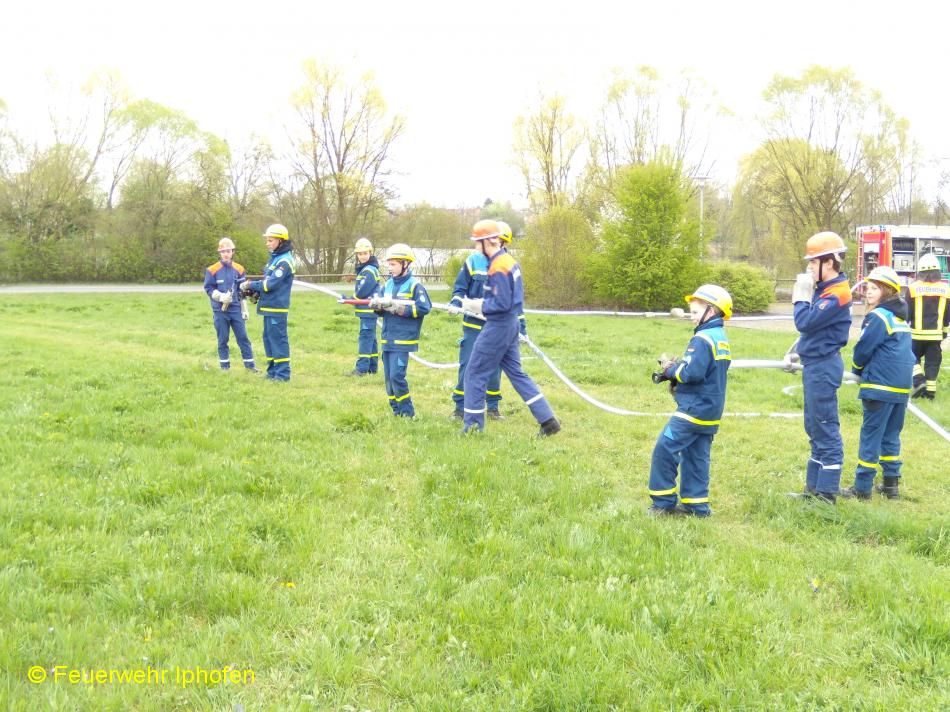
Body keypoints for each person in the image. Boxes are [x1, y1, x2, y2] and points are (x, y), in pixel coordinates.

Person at [460, 219, 560, 436]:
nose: (476, 247)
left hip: (498, 326)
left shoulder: (498, 267)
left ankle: (472, 427)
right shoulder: (508, 261)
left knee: (474, 373)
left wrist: (475, 305)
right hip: (511, 324)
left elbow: (501, 303)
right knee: (516, 373)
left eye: (477, 242)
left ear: (487, 242)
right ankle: (548, 421)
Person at [647, 285, 732, 517]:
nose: (691, 317)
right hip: (711, 412)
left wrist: (670, 370)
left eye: (695, 312)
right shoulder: (721, 339)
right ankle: (697, 506)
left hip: (693, 410)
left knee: (664, 448)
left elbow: (691, 373)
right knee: (696, 456)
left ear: (711, 311)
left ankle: (663, 503)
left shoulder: (702, 338)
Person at [789, 231, 853, 503]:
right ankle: (813, 490)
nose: (809, 268)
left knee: (825, 428)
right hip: (815, 365)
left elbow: (804, 322)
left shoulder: (837, 294)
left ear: (829, 262)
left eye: (813, 262)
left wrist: (801, 294)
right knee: (814, 427)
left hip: (824, 366)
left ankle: (827, 494)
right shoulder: (825, 289)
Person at [841, 266, 914, 501]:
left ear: (887, 291)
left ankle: (862, 488)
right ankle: (891, 485)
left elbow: (863, 349)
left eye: (874, 288)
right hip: (901, 389)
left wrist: (856, 371)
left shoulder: (878, 317)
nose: (868, 292)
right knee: (891, 435)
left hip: (880, 387)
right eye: (867, 288)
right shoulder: (901, 319)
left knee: (870, 436)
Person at [372, 244, 431, 416]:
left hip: (403, 339)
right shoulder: (388, 285)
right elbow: (381, 309)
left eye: (393, 264)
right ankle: (396, 411)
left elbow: (424, 308)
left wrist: (400, 309)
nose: (390, 268)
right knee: (389, 379)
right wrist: (377, 307)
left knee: (397, 376)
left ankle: (407, 412)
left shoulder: (415, 286)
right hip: (388, 338)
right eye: (389, 264)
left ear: (405, 264)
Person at [243, 224, 295, 381]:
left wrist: (250, 285)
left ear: (281, 241)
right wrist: (255, 292)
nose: (267, 243)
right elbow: (266, 283)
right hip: (268, 306)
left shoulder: (284, 261)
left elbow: (270, 284)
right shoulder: (275, 259)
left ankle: (282, 374)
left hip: (277, 308)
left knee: (278, 340)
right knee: (268, 339)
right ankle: (272, 372)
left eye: (270, 240)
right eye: (267, 240)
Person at [203, 237, 256, 372]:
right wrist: (220, 297)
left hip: (236, 310)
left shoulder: (239, 269)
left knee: (243, 338)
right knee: (223, 339)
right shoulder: (212, 270)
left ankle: (250, 367)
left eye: (228, 251)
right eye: (223, 251)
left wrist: (244, 309)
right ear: (220, 253)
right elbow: (208, 288)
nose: (226, 254)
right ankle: (225, 368)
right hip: (220, 310)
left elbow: (242, 290)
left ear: (233, 252)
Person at [906, 253, 949, 400]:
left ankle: (919, 381)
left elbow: (907, 313)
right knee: (932, 363)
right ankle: (929, 394)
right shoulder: (946, 289)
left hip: (916, 335)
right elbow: (947, 315)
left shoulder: (912, 288)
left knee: (911, 357)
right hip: (935, 336)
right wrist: (944, 332)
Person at [348, 237, 381, 377]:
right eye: (360, 254)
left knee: (365, 338)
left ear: (370, 253)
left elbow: (363, 290)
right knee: (371, 339)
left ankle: (361, 369)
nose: (362, 256)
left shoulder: (369, 270)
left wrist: (352, 299)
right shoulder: (366, 269)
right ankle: (372, 368)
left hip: (368, 310)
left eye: (365, 253)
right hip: (367, 310)